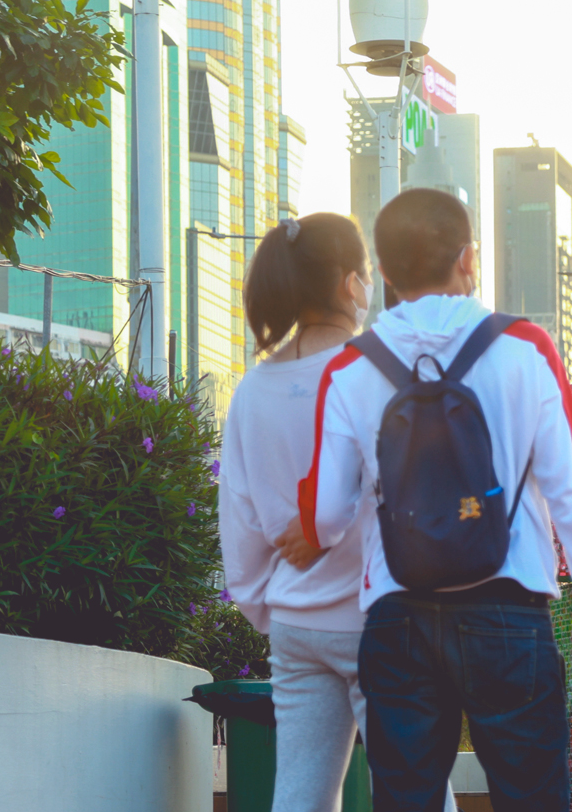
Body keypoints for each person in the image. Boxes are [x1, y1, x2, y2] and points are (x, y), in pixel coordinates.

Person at [289, 188, 572, 810]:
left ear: (384, 274)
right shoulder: (526, 348)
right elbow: (571, 485)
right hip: (509, 613)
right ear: (468, 260)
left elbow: (327, 517)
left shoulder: (349, 368)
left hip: (397, 623)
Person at [218, 213, 454, 812]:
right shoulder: (386, 371)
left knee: (299, 795)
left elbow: (241, 529)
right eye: (367, 273)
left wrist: (273, 608)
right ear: (351, 284)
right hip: (384, 622)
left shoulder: (253, 391)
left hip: (298, 625)